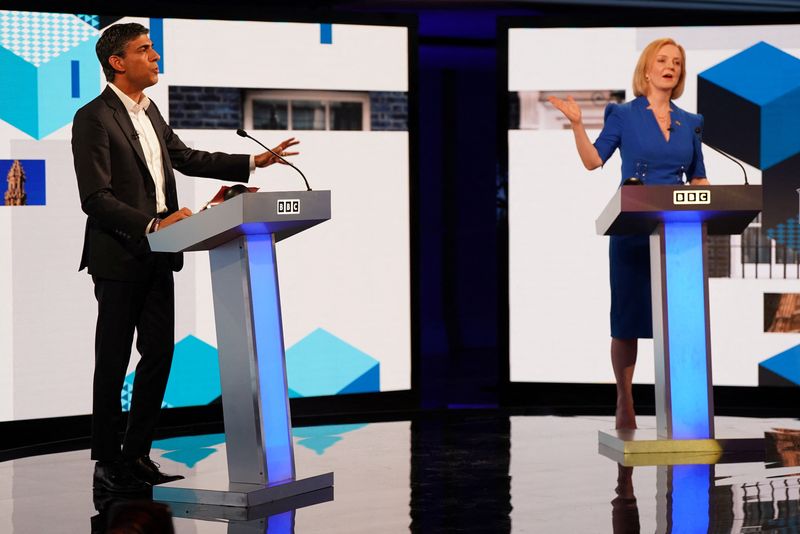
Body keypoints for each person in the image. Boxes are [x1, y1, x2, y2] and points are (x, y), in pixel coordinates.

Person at [73, 22, 299, 493]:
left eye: (152, 49)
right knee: (112, 361)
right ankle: (105, 462)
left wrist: (252, 162)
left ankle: (136, 455)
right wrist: (152, 224)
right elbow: (95, 197)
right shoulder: (93, 117)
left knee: (158, 354)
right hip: (120, 255)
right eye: (144, 50)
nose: (155, 57)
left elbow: (186, 157)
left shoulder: (150, 111)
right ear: (117, 62)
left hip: (161, 253)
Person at [549, 38, 710, 430]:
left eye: (676, 62)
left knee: (678, 320)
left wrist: (705, 194)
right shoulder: (621, 114)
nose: (670, 66)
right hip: (632, 232)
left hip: (676, 235)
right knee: (628, 319)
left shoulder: (691, 122)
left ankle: (679, 404)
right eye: (662, 60)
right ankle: (624, 396)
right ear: (648, 68)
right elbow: (593, 161)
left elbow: (700, 178)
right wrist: (576, 124)